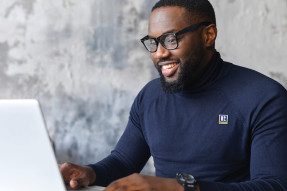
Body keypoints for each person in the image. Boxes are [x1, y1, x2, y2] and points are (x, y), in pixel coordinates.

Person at [60, 0, 287, 190]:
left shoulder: (264, 98)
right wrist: (89, 173)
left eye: (171, 39)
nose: (160, 53)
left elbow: (273, 185)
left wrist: (180, 187)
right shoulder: (150, 96)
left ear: (208, 35)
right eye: (153, 42)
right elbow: (123, 162)